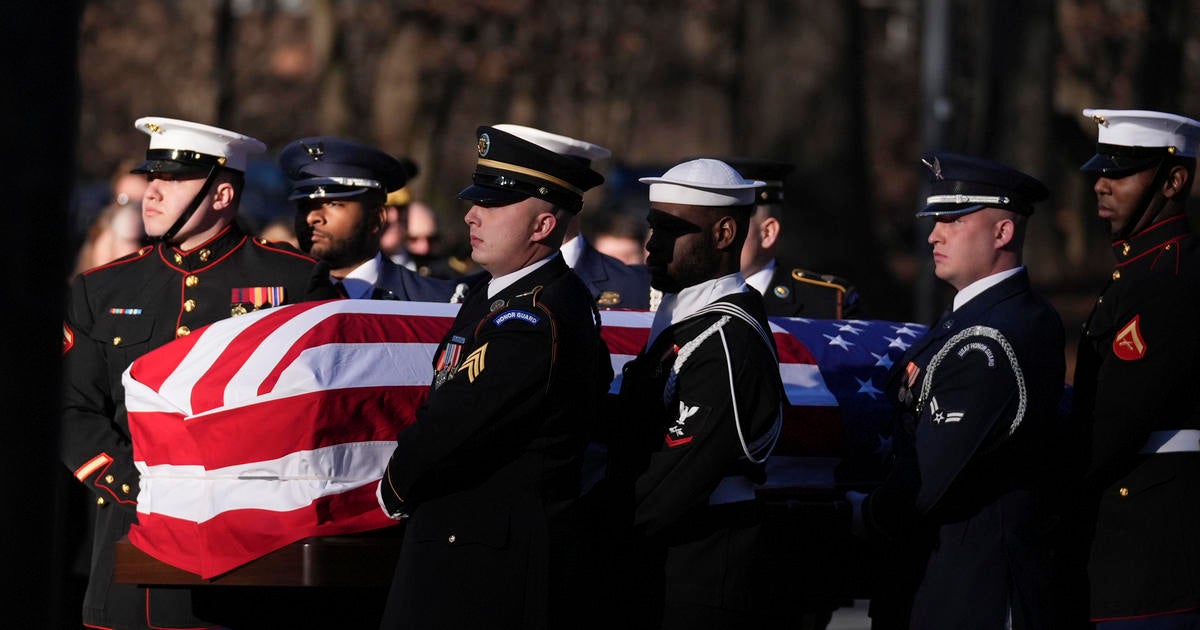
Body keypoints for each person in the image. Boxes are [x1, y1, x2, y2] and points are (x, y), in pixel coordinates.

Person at [60, 116, 338, 630]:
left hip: (246, 558)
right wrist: (136, 486)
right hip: (130, 540)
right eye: (151, 177)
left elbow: (320, 410)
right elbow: (73, 409)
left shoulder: (293, 281)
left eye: (173, 180)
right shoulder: (103, 290)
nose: (153, 192)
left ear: (222, 194)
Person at [376, 125, 614, 629]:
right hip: (461, 551)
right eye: (474, 200)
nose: (470, 214)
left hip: (488, 569)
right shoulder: (496, 295)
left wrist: (394, 486)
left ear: (542, 225)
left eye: (493, 204)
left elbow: (455, 425)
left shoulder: (536, 316)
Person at [847, 152, 1066, 629]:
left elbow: (930, 477)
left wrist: (858, 513)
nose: (932, 235)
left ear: (1002, 233)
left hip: (973, 591)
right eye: (934, 220)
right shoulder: (975, 321)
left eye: (952, 220)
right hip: (937, 582)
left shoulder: (994, 336)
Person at [597, 158, 784, 629]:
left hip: (701, 572)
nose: (651, 244)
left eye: (670, 229)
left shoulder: (727, 338)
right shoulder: (688, 320)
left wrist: (588, 533)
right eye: (652, 227)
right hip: (664, 560)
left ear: (723, 234)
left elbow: (674, 480)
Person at [1073, 109, 1200, 628]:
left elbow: (1112, 423)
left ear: (1173, 180)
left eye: (1122, 172)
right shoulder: (1139, 273)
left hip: (1154, 551)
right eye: (1100, 171)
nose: (1102, 185)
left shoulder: (1165, 280)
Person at [279, 136, 456, 302]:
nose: (312, 217)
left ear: (376, 218)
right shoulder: (278, 298)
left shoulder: (431, 301)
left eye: (333, 204)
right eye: (304, 206)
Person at [493, 124, 650, 309]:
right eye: (493, 202)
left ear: (573, 203)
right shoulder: (467, 290)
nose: (474, 216)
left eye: (512, 200)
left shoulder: (639, 288)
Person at [729, 158, 859, 318]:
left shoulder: (826, 304)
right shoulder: (692, 297)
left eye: (729, 228)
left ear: (767, 233)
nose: (717, 238)